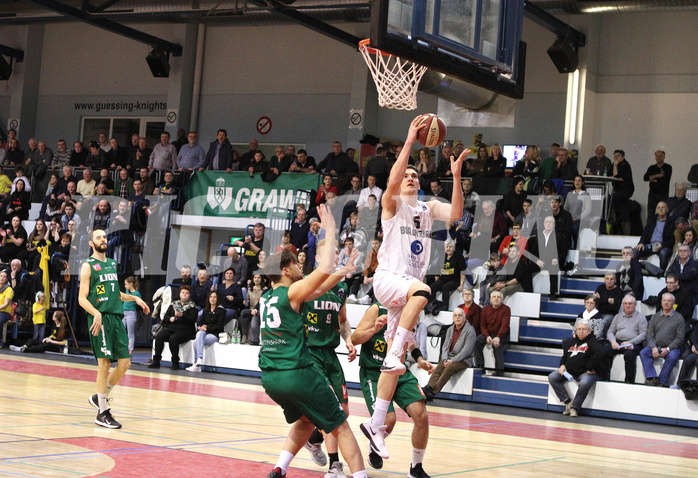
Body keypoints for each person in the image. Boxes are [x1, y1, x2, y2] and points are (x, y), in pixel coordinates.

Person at [360, 118, 469, 460]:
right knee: (424, 292)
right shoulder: (393, 205)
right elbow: (393, 179)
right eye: (406, 174)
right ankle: (393, 354)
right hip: (390, 279)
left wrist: (454, 178)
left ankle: (376, 426)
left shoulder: (426, 208)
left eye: (415, 175)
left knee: (394, 366)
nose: (411, 177)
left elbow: (455, 213)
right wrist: (408, 139)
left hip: (403, 295)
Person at [259, 206, 368, 478]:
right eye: (296, 264)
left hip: (270, 378)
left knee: (306, 419)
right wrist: (331, 231)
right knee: (340, 425)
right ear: (285, 270)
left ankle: (279, 468)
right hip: (297, 373)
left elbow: (321, 286)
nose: (300, 266)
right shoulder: (292, 292)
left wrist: (343, 271)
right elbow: (323, 270)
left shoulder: (266, 298)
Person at [351, 302, 434, 477]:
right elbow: (355, 338)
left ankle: (416, 468)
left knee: (421, 415)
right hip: (374, 372)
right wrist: (374, 329)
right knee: (389, 419)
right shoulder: (376, 309)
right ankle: (375, 439)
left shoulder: (410, 307)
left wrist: (419, 360)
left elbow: (410, 341)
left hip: (399, 371)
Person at [79, 229, 150, 429]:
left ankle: (99, 396)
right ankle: (102, 412)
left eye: (104, 237)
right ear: (92, 243)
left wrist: (135, 297)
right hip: (99, 319)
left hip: (115, 318)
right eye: (99, 237)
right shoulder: (88, 266)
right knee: (104, 365)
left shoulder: (111, 264)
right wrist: (96, 313)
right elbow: (81, 298)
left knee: (125, 363)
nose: (103, 239)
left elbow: (114, 292)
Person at [301, 238, 358, 478]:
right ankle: (335, 466)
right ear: (317, 258)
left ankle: (314, 440)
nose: (334, 258)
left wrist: (349, 339)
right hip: (311, 354)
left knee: (344, 412)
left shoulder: (341, 289)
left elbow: (343, 320)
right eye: (329, 254)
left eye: (336, 255)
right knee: (331, 409)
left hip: (330, 354)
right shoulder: (306, 284)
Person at [548, 319, 602, 418]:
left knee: (585, 383)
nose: (581, 331)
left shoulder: (593, 341)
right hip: (570, 371)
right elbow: (564, 356)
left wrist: (590, 366)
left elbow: (599, 354)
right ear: (576, 330)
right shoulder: (571, 341)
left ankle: (575, 407)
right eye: (579, 329)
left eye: (584, 329)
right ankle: (567, 401)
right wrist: (562, 365)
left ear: (589, 331)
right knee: (552, 377)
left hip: (585, 373)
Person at [422, 307, 476, 401]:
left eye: (460, 315)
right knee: (440, 365)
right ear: (453, 318)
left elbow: (466, 351)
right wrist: (445, 358)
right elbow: (445, 346)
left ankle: (433, 392)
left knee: (449, 369)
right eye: (455, 315)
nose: (457, 317)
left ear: (464, 318)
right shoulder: (450, 329)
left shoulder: (470, 330)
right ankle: (429, 387)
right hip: (450, 358)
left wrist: (452, 361)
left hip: (464, 360)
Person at [640, 293, 685, 386]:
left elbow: (680, 338)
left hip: (672, 348)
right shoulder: (655, 317)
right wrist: (653, 348)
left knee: (672, 356)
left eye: (669, 301)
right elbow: (650, 335)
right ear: (661, 302)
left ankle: (661, 382)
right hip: (657, 346)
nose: (666, 303)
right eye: (664, 301)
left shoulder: (679, 318)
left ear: (673, 303)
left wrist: (668, 349)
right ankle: (652, 377)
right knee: (644, 352)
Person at [149, 284, 198, 370]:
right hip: (173, 328)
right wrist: (170, 318)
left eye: (187, 293)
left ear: (189, 295)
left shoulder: (193, 307)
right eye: (183, 293)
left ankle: (175, 362)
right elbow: (165, 317)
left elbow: (192, 320)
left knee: (173, 338)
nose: (184, 294)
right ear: (180, 294)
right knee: (160, 336)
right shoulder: (173, 305)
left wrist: (182, 315)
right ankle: (156, 360)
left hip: (186, 330)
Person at [604, 294, 647, 383]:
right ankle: (605, 378)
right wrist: (613, 341)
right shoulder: (617, 317)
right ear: (623, 305)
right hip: (618, 341)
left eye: (630, 303)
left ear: (635, 305)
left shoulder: (641, 318)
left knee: (629, 355)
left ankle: (629, 380)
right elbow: (610, 331)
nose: (628, 306)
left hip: (634, 343)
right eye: (626, 303)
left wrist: (631, 342)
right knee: (605, 351)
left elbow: (643, 334)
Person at [186, 290, 226, 372]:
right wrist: (202, 328)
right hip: (205, 333)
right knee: (199, 335)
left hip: (215, 334)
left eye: (215, 297)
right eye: (211, 297)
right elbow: (203, 323)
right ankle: (199, 360)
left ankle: (196, 363)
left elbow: (219, 326)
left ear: (217, 299)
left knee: (196, 342)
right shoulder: (206, 310)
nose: (212, 299)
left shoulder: (221, 311)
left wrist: (207, 328)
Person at [474, 290, 510, 375]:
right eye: (494, 297)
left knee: (497, 344)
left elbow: (504, 325)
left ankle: (499, 371)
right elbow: (482, 326)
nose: (496, 299)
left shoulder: (506, 309)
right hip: (488, 333)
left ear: (502, 300)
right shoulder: (485, 309)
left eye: (498, 297)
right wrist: (487, 336)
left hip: (502, 334)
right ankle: (480, 366)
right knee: (477, 341)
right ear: (490, 299)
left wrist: (498, 337)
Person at [427, 238, 466, 311]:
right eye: (447, 247)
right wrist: (437, 282)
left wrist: (461, 284)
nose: (448, 248)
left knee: (445, 287)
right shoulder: (442, 255)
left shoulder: (458, 256)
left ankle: (445, 307)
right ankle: (431, 305)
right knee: (432, 287)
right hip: (444, 278)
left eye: (450, 247)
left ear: (454, 248)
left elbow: (463, 270)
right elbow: (437, 269)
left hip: (455, 279)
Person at [635, 201, 675, 270]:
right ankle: (635, 271)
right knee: (634, 251)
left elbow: (673, 240)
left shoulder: (671, 222)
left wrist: (662, 245)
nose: (660, 209)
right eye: (658, 208)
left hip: (663, 246)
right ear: (656, 210)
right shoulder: (652, 220)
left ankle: (661, 273)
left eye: (663, 207)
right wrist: (641, 243)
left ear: (667, 209)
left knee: (664, 253)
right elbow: (644, 234)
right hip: (650, 245)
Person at [643, 150, 672, 222]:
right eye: (657, 156)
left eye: (660, 156)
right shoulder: (652, 167)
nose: (658, 157)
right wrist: (656, 175)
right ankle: (649, 231)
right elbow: (645, 178)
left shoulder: (668, 167)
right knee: (650, 213)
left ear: (664, 157)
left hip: (663, 194)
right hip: (652, 193)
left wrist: (652, 178)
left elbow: (665, 180)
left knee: (663, 213)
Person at [238, 272, 266, 345]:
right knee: (242, 314)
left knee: (251, 315)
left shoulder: (265, 289)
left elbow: (262, 302)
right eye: (255, 277)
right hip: (250, 310)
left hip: (259, 310)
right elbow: (246, 302)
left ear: (261, 279)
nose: (256, 279)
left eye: (258, 278)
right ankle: (244, 336)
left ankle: (255, 339)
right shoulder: (249, 289)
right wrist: (245, 302)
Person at [611, 149, 634, 236]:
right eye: (614, 156)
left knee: (613, 199)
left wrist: (615, 166)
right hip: (618, 190)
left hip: (626, 190)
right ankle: (618, 226)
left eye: (618, 156)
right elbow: (610, 174)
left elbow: (616, 176)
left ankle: (624, 229)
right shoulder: (614, 164)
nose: (616, 158)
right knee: (622, 208)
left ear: (623, 157)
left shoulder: (625, 165)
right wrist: (614, 166)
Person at [122, 276, 141, 355]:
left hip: (131, 313)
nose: (125, 286)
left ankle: (129, 351)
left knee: (130, 334)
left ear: (131, 284)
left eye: (126, 284)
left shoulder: (136, 293)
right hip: (123, 313)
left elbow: (139, 303)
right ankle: (121, 349)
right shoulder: (127, 291)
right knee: (122, 332)